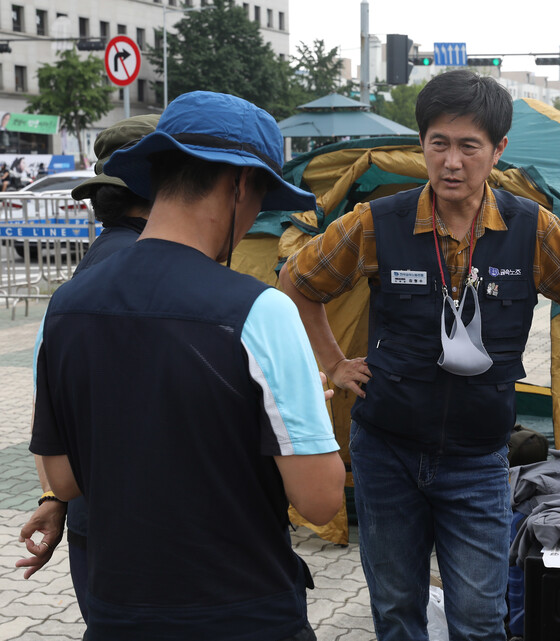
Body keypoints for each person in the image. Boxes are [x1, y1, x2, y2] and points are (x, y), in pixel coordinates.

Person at [279, 69, 560, 641]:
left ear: (497, 150)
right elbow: (297, 283)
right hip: (387, 451)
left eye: (469, 147)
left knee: (480, 618)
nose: (452, 162)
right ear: (421, 144)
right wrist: (334, 364)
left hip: (477, 460)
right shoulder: (378, 222)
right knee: (397, 611)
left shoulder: (532, 229)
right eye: (438, 144)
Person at [28, 91, 346, 640]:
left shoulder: (68, 303)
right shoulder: (260, 309)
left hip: (114, 611)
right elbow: (319, 501)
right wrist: (307, 407)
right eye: (261, 200)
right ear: (240, 184)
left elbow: (62, 478)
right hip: (242, 612)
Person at [16, 114, 159, 621]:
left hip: (91, 515)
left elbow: (46, 392)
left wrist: (56, 495)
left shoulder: (88, 270)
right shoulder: (155, 270)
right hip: (156, 521)